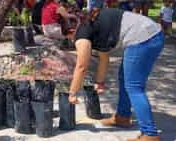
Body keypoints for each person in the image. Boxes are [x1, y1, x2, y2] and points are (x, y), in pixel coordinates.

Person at [69, 8, 164, 141]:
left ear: (71, 30)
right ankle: (122, 117)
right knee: (124, 77)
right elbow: (104, 58)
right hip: (150, 34)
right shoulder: (93, 24)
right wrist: (100, 82)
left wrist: (72, 92)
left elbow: (81, 66)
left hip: (144, 38)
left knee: (134, 87)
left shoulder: (82, 33)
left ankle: (150, 134)